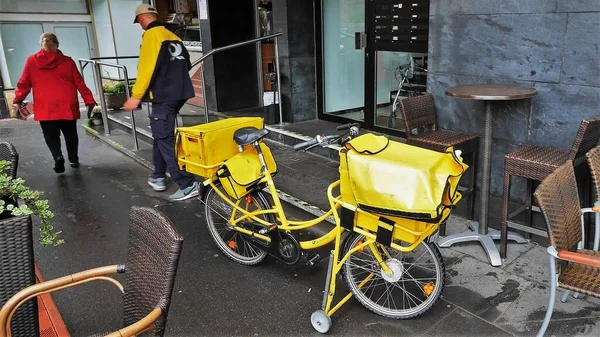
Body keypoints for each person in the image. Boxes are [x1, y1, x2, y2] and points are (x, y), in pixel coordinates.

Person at [123, 4, 200, 201]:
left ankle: (187, 183)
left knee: (164, 137)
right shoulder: (172, 36)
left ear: (141, 18)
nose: (140, 26)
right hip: (180, 93)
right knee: (161, 132)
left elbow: (146, 69)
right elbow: (187, 62)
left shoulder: (151, 36)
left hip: (164, 96)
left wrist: (136, 96)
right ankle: (158, 174)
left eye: (139, 22)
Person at [12, 32, 96, 173]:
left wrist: (17, 100)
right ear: (57, 44)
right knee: (70, 134)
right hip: (67, 105)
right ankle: (73, 160)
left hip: (46, 106)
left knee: (50, 135)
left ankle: (58, 156)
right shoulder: (68, 62)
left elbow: (24, 83)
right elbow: (79, 83)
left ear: (41, 44)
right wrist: (89, 100)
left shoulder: (32, 61)